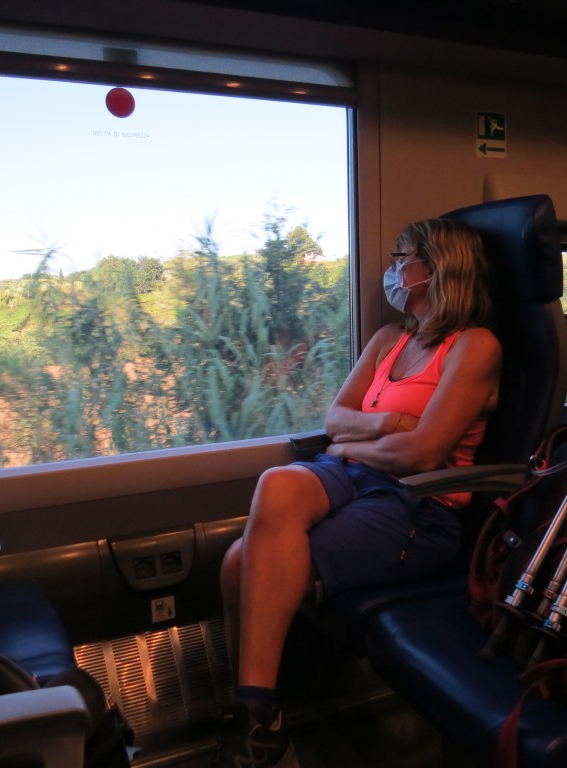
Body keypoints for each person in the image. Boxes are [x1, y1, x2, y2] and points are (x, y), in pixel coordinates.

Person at [215, 217, 501, 767]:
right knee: (277, 482)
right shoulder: (390, 340)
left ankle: (255, 727)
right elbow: (335, 418)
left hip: (416, 503)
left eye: (402, 257)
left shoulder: (475, 347)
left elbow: (423, 454)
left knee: (236, 566)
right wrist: (385, 425)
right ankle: (255, 718)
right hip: (352, 473)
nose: (393, 269)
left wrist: (350, 447)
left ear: (438, 267)